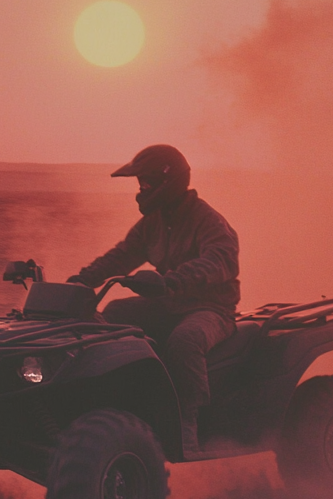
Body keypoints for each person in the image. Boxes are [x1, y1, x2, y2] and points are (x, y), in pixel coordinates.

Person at [68, 145, 240, 455]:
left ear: (167, 182)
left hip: (211, 309)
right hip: (169, 304)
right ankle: (122, 405)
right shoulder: (154, 223)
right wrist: (81, 281)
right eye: (140, 184)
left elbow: (220, 261)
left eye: (146, 183)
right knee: (111, 316)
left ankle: (188, 424)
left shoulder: (208, 221)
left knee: (185, 341)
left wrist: (169, 282)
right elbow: (121, 256)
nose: (141, 189)